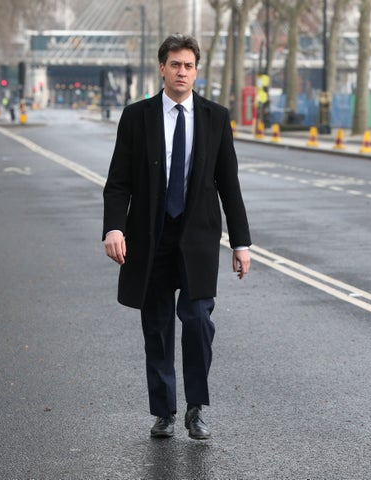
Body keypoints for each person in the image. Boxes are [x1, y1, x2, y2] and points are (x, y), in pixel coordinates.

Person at [103, 33, 251, 440]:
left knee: (199, 321)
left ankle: (196, 408)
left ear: (196, 71)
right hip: (150, 239)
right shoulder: (137, 117)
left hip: (198, 239)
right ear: (162, 68)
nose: (181, 71)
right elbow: (118, 182)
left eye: (188, 65)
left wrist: (240, 242)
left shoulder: (215, 117)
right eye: (174, 64)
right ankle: (164, 411)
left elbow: (229, 183)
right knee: (158, 325)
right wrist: (114, 227)